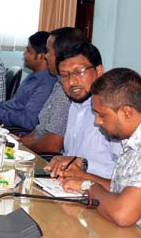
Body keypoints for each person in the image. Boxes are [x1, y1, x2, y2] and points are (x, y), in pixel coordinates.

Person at [60, 68, 141, 237]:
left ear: (126, 112)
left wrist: (88, 187)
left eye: (102, 115)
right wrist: (82, 177)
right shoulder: (138, 134)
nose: (97, 121)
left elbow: (123, 214)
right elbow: (122, 188)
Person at [44, 42, 122, 179]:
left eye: (79, 72)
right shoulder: (74, 106)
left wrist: (84, 164)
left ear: (99, 71)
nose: (72, 82)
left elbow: (127, 174)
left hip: (102, 193)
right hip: (67, 186)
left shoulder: (114, 111)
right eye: (64, 75)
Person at [0, 31, 56, 132]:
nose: (24, 54)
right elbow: (14, 104)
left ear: (41, 56)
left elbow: (29, 121)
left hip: (15, 133)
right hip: (2, 122)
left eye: (28, 51)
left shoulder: (45, 85)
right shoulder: (34, 75)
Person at [20, 27, 84, 154]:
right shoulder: (58, 83)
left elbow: (52, 145)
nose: (46, 57)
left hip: (46, 158)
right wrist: (19, 143)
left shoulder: (68, 91)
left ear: (61, 55)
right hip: (36, 149)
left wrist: (23, 149)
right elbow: (40, 129)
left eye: (48, 52)